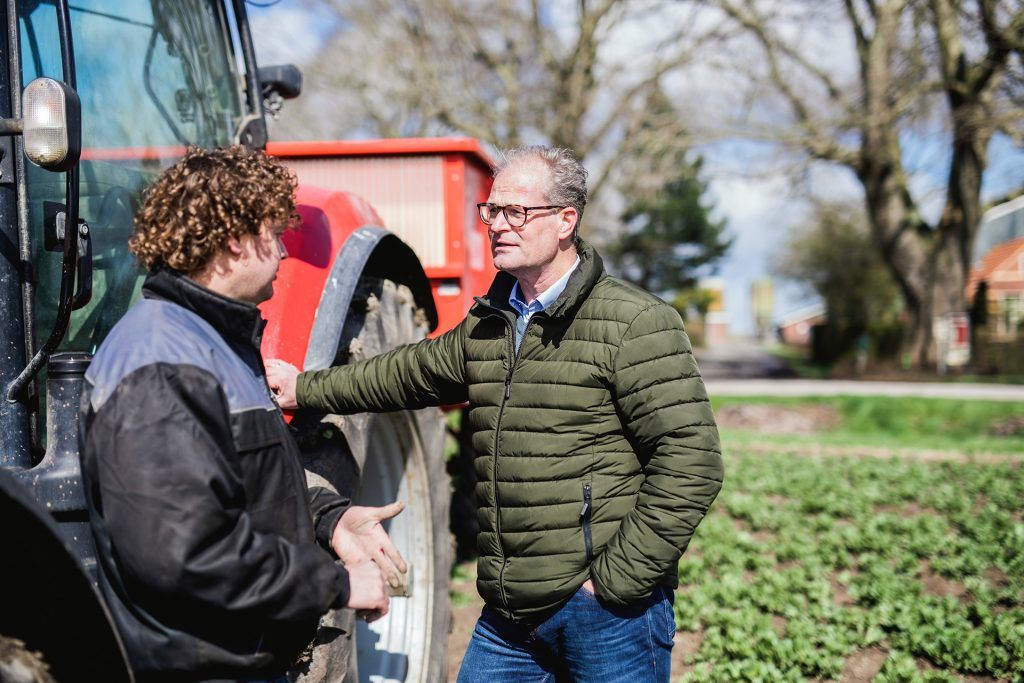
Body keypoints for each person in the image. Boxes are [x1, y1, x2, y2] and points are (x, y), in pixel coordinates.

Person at [267, 146, 724, 682]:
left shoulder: (634, 322)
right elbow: (404, 373)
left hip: (606, 616)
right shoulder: (492, 322)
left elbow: (692, 462)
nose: (498, 226)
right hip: (509, 617)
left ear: (564, 221)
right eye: (491, 211)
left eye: (516, 212)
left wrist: (615, 581)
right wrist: (306, 387)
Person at [79, 145, 404, 682]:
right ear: (235, 240)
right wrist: (336, 585)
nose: (281, 252)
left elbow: (240, 477)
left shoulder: (213, 342)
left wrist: (329, 518)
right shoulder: (161, 366)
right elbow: (186, 556)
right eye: (275, 235)